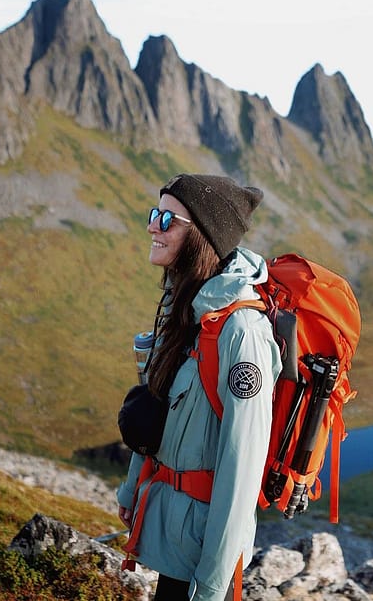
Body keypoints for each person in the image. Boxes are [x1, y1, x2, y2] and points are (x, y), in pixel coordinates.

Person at [117, 173, 282, 601]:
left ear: (203, 236)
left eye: (167, 219)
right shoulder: (188, 310)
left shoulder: (242, 333)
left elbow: (240, 468)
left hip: (207, 559)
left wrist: (211, 583)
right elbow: (162, 413)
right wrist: (133, 487)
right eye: (155, 214)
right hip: (175, 538)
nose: (153, 225)